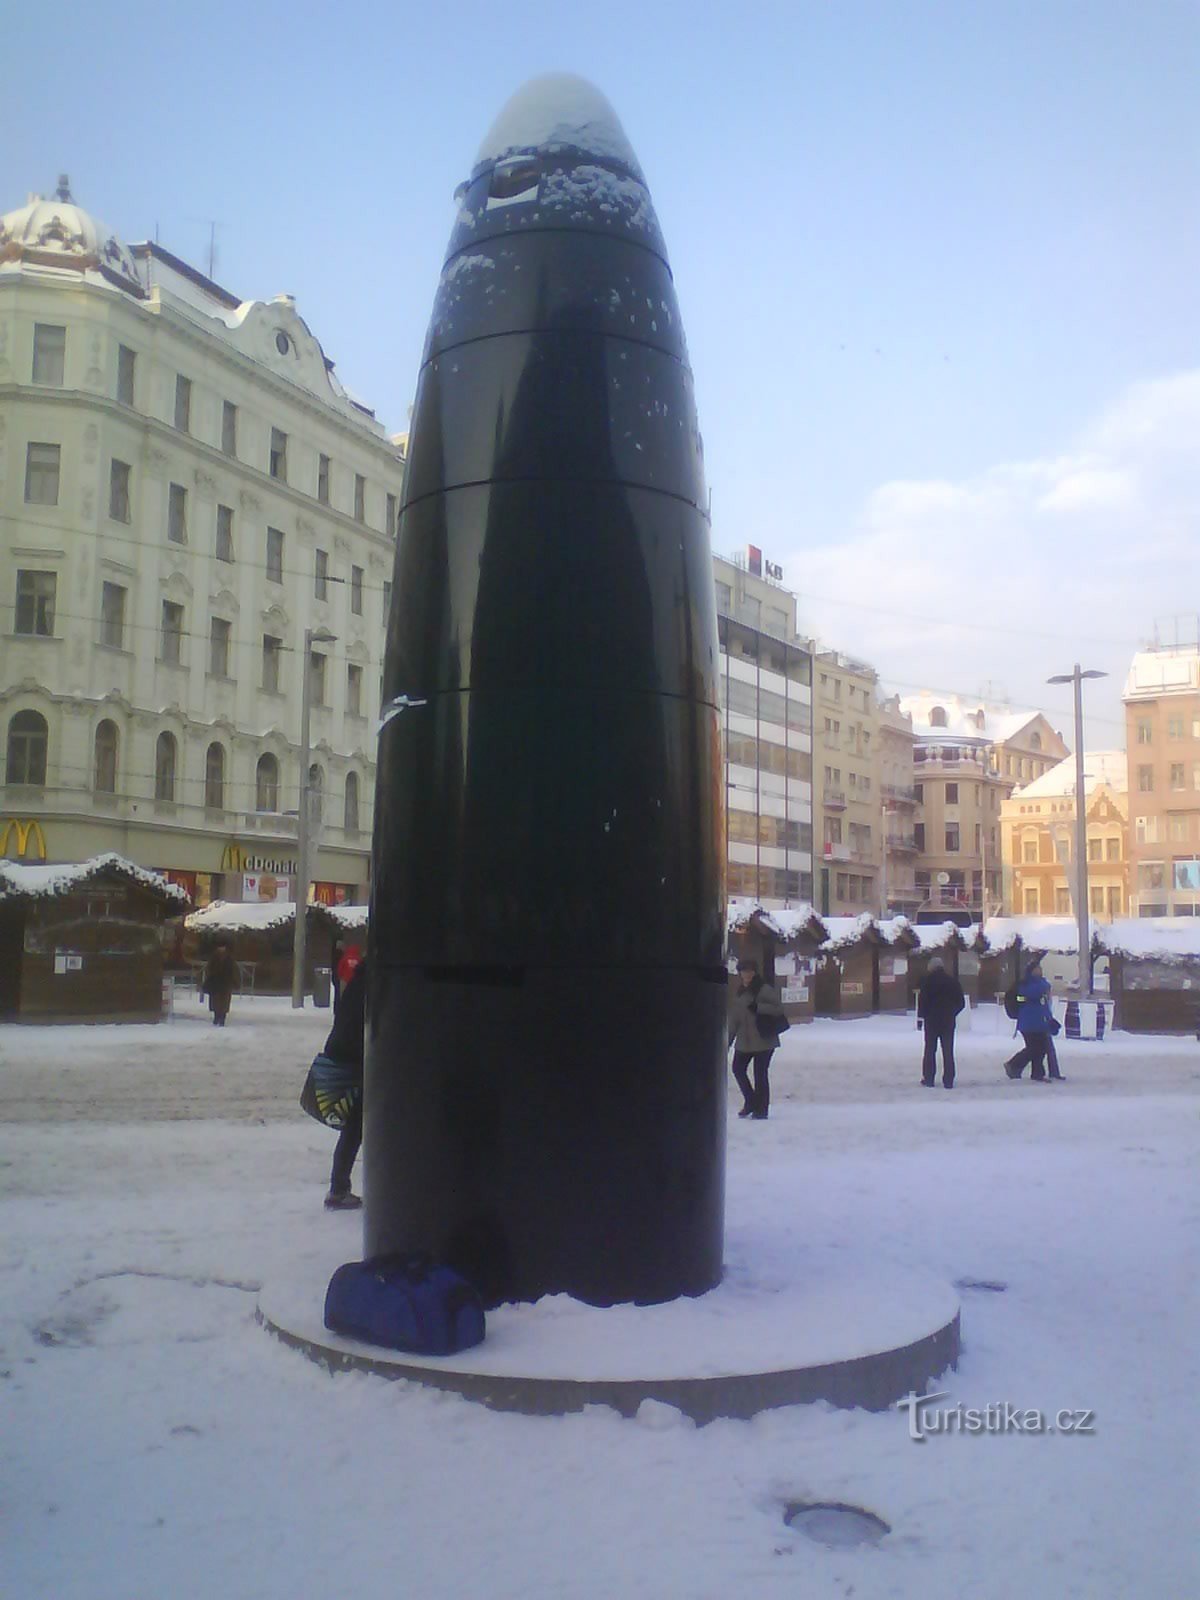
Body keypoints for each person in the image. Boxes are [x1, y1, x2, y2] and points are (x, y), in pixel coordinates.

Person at [321, 957, 367, 1209]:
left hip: (344, 1055)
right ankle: (339, 1189)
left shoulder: (357, 982)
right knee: (356, 1125)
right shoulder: (374, 984)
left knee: (354, 1126)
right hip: (356, 1060)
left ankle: (338, 1187)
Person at [727, 957, 786, 1120]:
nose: (746, 974)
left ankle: (762, 1109)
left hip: (764, 1040)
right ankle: (750, 1101)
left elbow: (779, 1009)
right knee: (738, 1069)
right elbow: (734, 1019)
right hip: (744, 1041)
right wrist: (728, 1042)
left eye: (749, 971)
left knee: (760, 1074)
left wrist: (759, 1007)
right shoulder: (740, 992)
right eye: (743, 971)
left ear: (754, 972)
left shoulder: (764, 989)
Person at [1004, 959, 1058, 1081]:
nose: (1040, 971)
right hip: (1029, 1022)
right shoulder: (1026, 984)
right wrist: (1044, 985)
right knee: (1035, 1048)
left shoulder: (1039, 984)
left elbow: (1043, 1005)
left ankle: (1037, 1073)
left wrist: (1049, 1019)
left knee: (1040, 1048)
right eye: (1037, 969)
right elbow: (1030, 994)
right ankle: (1013, 1064)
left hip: (1039, 1022)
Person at [916, 956, 966, 1088]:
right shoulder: (952, 981)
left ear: (931, 967)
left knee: (930, 1050)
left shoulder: (927, 982)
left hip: (931, 1021)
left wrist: (921, 1018)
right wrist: (952, 1013)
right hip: (948, 1021)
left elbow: (922, 1002)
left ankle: (929, 1078)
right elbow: (961, 1002)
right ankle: (948, 1080)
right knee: (948, 1050)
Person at [200, 939, 237, 1028]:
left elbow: (233, 971)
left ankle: (222, 1018)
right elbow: (209, 969)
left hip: (225, 982)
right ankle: (217, 1017)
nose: (221, 949)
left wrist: (234, 981)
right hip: (216, 982)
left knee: (223, 1001)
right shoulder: (215, 957)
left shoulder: (228, 958)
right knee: (216, 1001)